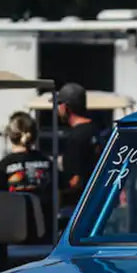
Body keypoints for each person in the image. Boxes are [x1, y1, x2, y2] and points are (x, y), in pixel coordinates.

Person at [56, 82, 104, 210]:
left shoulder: (76, 138)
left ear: (66, 107)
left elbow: (75, 182)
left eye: (58, 104)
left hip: (79, 207)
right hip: (98, 201)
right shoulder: (96, 130)